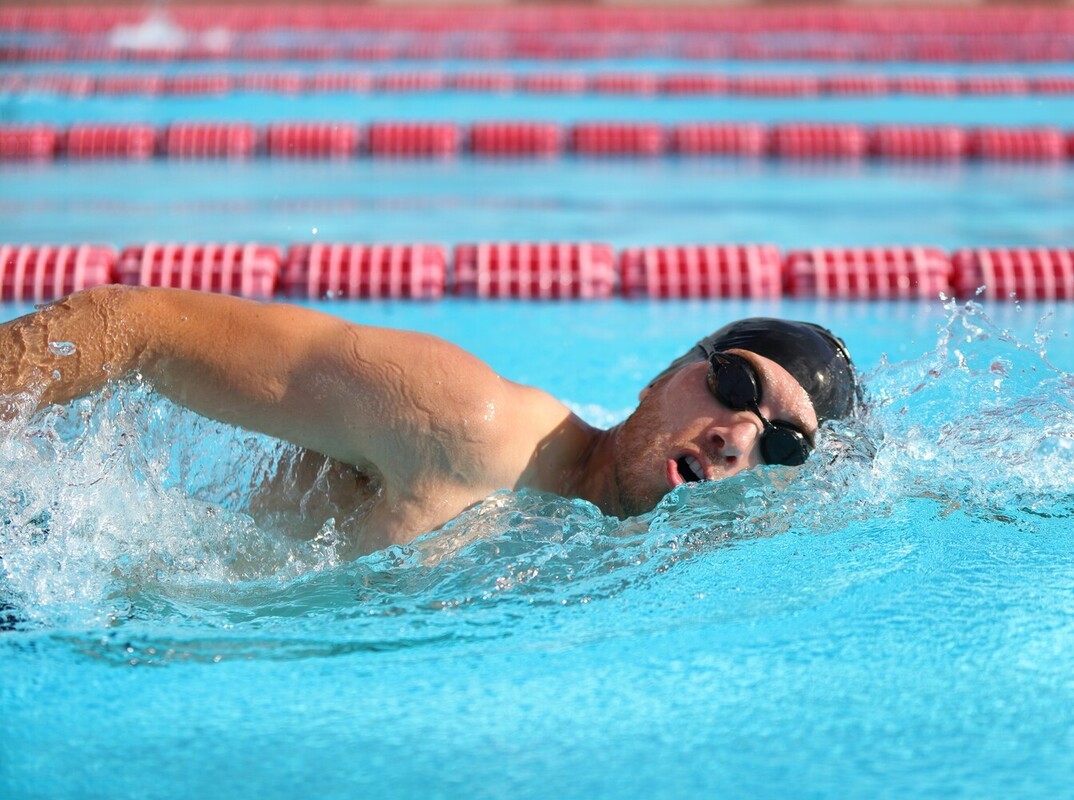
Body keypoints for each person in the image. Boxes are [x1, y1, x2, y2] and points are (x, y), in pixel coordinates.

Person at [0, 285, 857, 556]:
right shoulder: (466, 425)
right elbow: (132, 326)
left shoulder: (688, 558)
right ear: (664, 375)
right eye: (736, 385)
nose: (739, 434)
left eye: (782, 444)